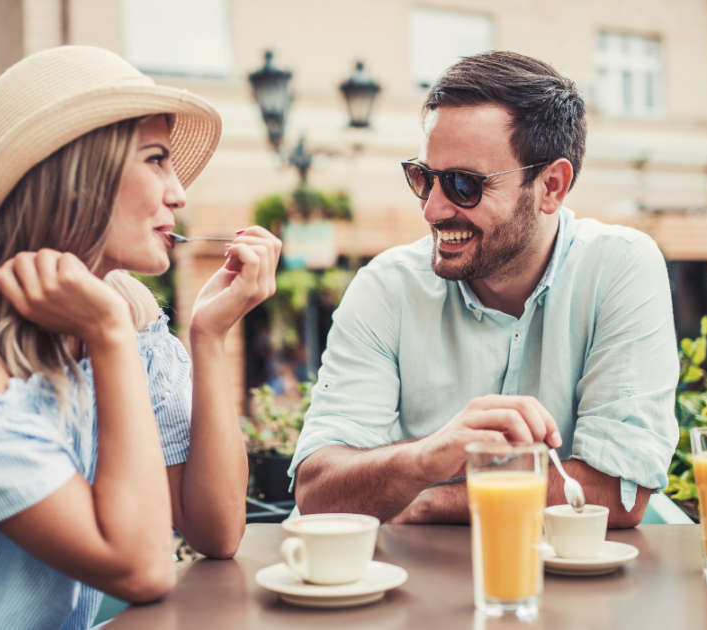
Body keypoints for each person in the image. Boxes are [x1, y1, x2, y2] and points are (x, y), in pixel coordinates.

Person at [0, 46, 281, 630]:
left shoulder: (132, 318)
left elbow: (216, 531)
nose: (180, 194)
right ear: (77, 174)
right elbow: (143, 568)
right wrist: (109, 337)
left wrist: (209, 335)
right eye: (155, 160)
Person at [289, 51, 678, 529]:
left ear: (551, 186)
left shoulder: (619, 266)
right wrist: (424, 460)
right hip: (414, 592)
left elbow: (618, 490)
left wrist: (428, 500)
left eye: (462, 184)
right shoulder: (385, 288)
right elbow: (316, 492)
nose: (432, 210)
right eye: (424, 177)